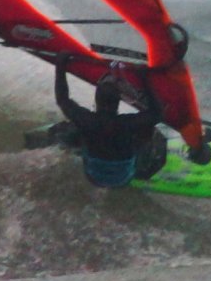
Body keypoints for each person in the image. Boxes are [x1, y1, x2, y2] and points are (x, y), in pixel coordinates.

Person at [53, 57, 166, 188]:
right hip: (122, 177)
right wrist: (145, 80)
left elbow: (62, 100)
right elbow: (158, 113)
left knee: (73, 127)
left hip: (95, 175)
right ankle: (147, 165)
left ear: (97, 100)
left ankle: (71, 146)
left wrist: (61, 63)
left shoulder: (88, 120)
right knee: (147, 131)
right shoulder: (127, 123)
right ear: (118, 102)